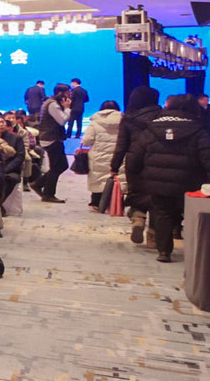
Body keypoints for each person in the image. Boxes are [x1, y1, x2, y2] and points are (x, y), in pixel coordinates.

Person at [127, 95, 210, 264]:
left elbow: (135, 156)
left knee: (162, 214)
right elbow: (206, 157)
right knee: (189, 213)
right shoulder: (198, 130)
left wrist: (135, 178)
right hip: (189, 181)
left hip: (157, 181)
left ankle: (164, 251)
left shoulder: (152, 129)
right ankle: (193, 249)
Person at [111, 86, 164, 246]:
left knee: (137, 193)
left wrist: (114, 166)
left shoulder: (128, 118)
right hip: (157, 160)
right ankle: (153, 236)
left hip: (135, 161)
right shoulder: (162, 116)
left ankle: (138, 218)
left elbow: (121, 145)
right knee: (157, 198)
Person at [82, 100, 122, 211]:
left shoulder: (95, 123)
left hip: (98, 156)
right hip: (117, 156)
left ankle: (96, 202)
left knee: (98, 179)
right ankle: (114, 202)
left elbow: (87, 141)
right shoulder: (124, 121)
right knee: (115, 178)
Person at [35, 84, 72, 202]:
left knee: (61, 165)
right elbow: (62, 120)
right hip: (51, 139)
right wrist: (67, 108)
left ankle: (38, 183)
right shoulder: (52, 104)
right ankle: (48, 194)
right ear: (61, 93)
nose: (69, 95)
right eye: (68, 92)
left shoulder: (52, 103)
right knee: (57, 167)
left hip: (52, 138)